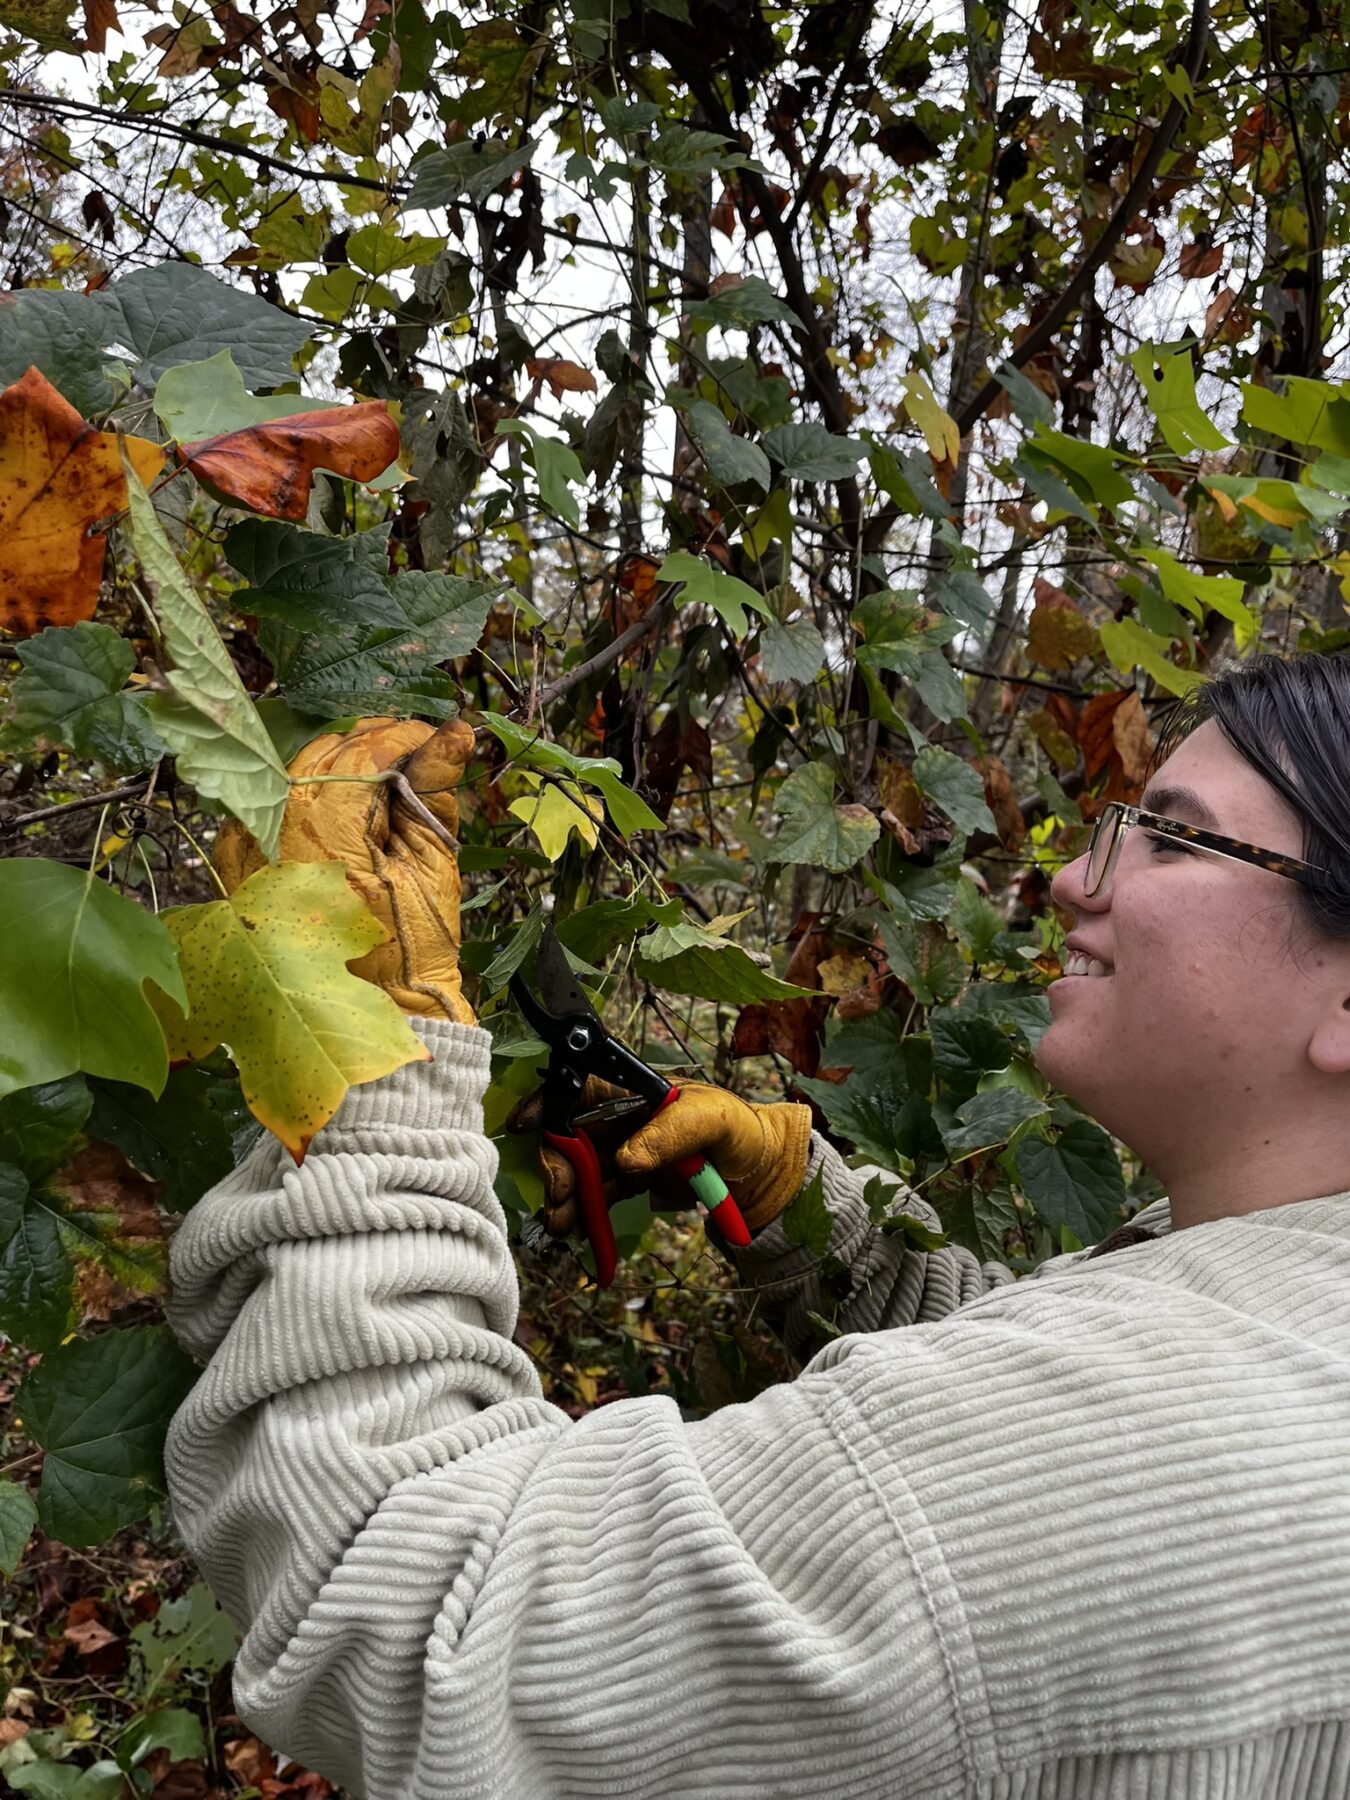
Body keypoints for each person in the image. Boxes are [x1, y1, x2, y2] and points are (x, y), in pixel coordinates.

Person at [164, 654, 1350, 1800]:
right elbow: (1071, 1358)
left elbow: (420, 1637)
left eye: (1172, 835)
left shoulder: (1117, 1451)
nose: (1078, 882)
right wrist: (804, 1209)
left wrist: (362, 1041)